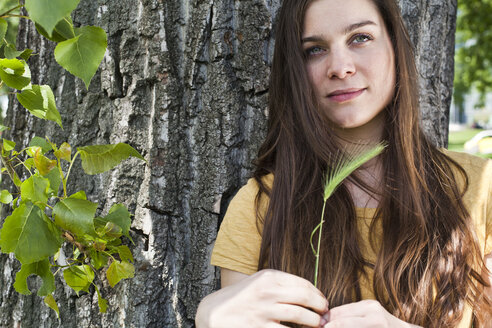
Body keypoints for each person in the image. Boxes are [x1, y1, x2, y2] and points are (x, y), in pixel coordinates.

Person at [195, 0, 492, 326]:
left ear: (395, 45)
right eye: (314, 50)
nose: (340, 66)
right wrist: (209, 316)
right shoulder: (262, 204)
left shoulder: (478, 188)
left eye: (360, 38)